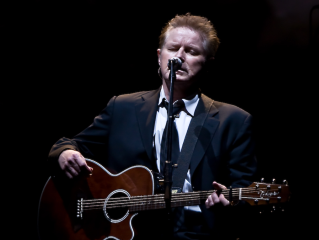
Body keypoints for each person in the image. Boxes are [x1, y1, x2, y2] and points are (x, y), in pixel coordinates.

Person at [48, 13, 257, 240]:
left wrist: (232, 202)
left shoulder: (234, 120)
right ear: (159, 56)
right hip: (127, 233)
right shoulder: (123, 107)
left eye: (191, 51)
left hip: (197, 234)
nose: (179, 57)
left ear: (208, 63)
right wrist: (65, 153)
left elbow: (245, 194)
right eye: (173, 48)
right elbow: (73, 144)